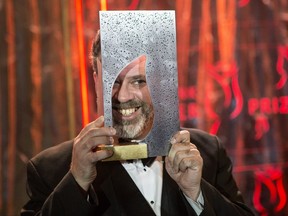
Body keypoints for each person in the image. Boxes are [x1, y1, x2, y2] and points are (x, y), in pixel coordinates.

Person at [21, 30, 254, 216]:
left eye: (138, 81)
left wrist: (196, 193)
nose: (122, 96)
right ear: (95, 80)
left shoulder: (207, 151)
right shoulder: (49, 170)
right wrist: (77, 182)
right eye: (113, 81)